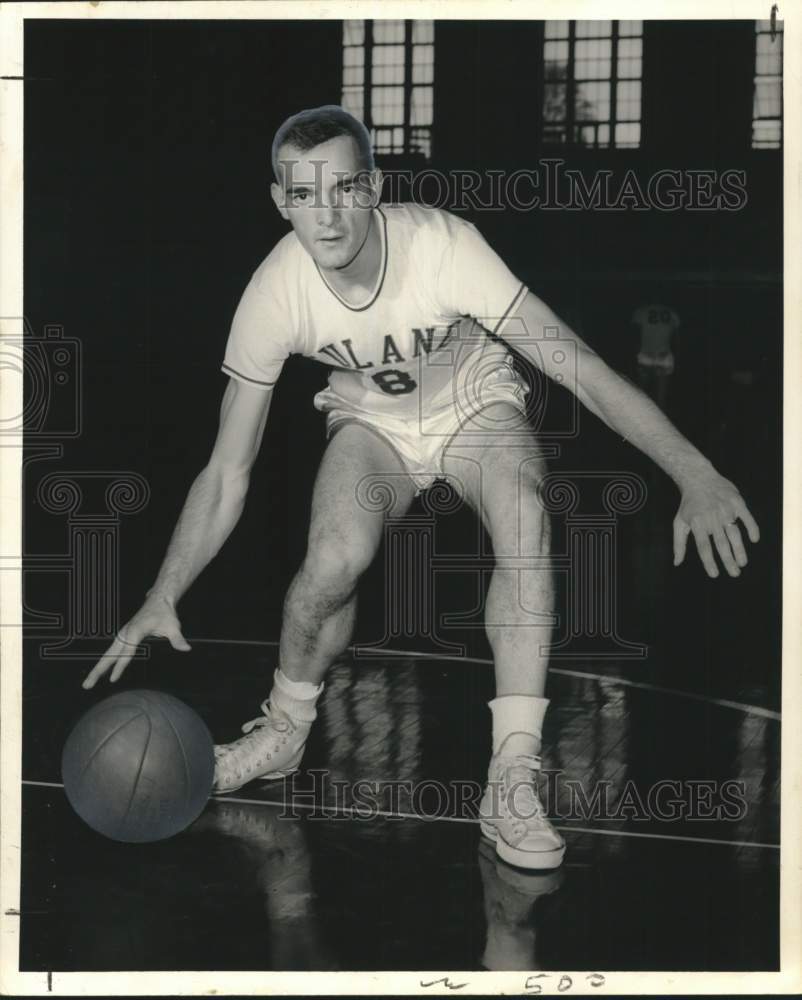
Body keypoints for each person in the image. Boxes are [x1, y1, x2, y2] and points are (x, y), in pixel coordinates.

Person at [83, 106, 760, 871]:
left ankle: (511, 774)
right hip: (371, 421)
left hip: (474, 404)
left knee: (522, 510)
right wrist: (163, 590)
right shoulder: (274, 294)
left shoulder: (443, 249)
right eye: (306, 194)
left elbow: (583, 371)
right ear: (281, 202)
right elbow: (227, 468)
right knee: (334, 559)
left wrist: (694, 471)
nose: (328, 213)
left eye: (344, 188)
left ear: (373, 188)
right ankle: (283, 730)